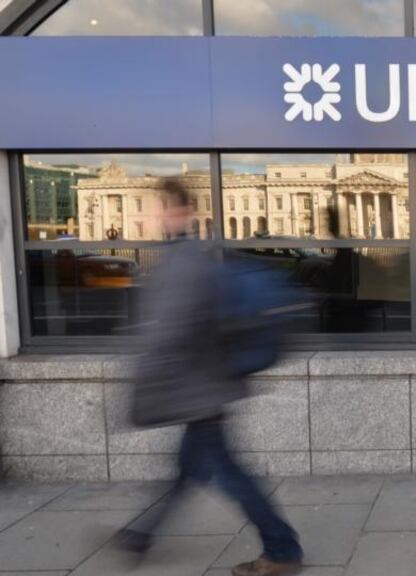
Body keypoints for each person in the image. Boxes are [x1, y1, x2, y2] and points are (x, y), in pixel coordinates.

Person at [117, 178, 303, 576]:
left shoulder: (184, 263)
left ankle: (282, 549)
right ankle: (141, 535)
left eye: (162, 208)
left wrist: (144, 392)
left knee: (229, 474)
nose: (156, 216)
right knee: (189, 468)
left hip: (197, 389)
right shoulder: (190, 258)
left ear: (181, 212)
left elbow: (169, 334)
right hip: (204, 386)